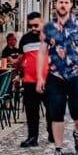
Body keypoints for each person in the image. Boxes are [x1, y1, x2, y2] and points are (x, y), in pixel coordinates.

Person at [38, 0, 78, 155]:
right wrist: (41, 77)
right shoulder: (48, 28)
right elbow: (42, 53)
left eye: (66, 2)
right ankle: (58, 149)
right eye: (60, 2)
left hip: (77, 74)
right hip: (55, 75)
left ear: (71, 4)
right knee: (56, 112)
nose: (63, 5)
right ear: (55, 5)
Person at [17, 13, 51, 148]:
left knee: (51, 108)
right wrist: (19, 67)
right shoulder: (25, 39)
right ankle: (32, 137)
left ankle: (52, 131)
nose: (33, 28)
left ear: (42, 23)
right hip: (29, 81)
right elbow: (21, 57)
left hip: (48, 79)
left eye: (36, 25)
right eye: (30, 26)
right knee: (31, 110)